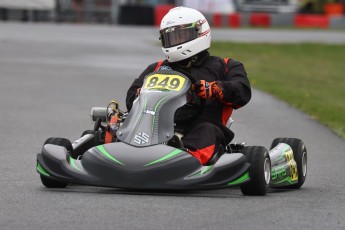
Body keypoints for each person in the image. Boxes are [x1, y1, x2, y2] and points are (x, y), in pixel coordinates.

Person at [126, 7, 251, 165]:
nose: (175, 41)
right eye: (170, 37)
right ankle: (116, 152)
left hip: (199, 132)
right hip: (154, 131)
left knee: (208, 130)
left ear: (200, 32)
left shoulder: (226, 66)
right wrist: (140, 95)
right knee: (115, 126)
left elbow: (242, 91)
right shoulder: (156, 68)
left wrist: (215, 89)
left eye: (181, 35)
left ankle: (185, 161)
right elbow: (130, 98)